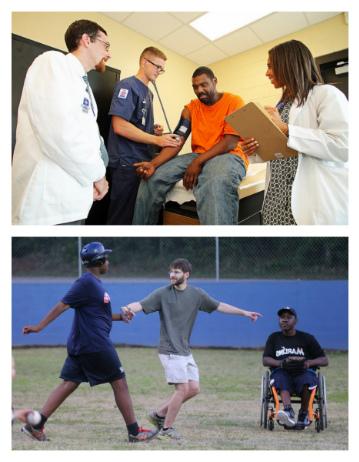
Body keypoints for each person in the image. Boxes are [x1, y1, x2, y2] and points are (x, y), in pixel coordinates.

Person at [21, 242, 157, 443]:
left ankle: (36, 424)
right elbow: (62, 305)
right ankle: (135, 432)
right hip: (94, 344)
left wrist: (121, 317)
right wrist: (39, 327)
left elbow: (98, 314)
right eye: (106, 258)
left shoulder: (93, 284)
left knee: (69, 383)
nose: (108, 261)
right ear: (99, 261)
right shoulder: (85, 283)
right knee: (120, 382)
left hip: (83, 344)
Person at [121, 258, 262, 439]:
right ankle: (167, 428)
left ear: (186, 275)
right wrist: (127, 308)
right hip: (169, 349)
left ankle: (158, 415)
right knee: (182, 389)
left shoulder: (197, 294)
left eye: (177, 272)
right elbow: (139, 304)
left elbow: (220, 306)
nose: (172, 275)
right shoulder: (162, 294)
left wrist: (244, 312)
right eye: (171, 271)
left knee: (194, 388)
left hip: (184, 350)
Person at [12, 19, 111, 225]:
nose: (108, 53)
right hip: (48, 205)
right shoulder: (53, 63)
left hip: (75, 201)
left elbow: (88, 139)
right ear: (86, 40)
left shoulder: (84, 87)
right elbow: (61, 134)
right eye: (105, 45)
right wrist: (98, 175)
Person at [241, 40, 348, 225]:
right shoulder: (280, 105)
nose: (267, 73)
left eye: (270, 66)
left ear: (287, 63)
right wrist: (255, 149)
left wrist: (286, 129)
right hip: (275, 200)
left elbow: (343, 146)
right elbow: (280, 152)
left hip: (310, 202)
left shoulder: (326, 94)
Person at [132, 66, 249, 225]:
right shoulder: (191, 108)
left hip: (228, 155)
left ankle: (219, 246)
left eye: (204, 85)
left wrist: (198, 162)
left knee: (214, 182)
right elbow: (177, 141)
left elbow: (230, 142)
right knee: (152, 178)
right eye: (195, 87)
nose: (199, 90)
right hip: (198, 155)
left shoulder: (234, 101)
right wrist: (153, 164)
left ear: (214, 81)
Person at [106, 46, 180, 225]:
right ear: (144, 62)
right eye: (157, 66)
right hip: (126, 162)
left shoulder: (149, 93)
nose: (160, 72)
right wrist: (157, 139)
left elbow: (135, 123)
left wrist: (152, 131)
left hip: (143, 163)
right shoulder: (127, 86)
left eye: (162, 69)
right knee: (121, 218)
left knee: (135, 216)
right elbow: (120, 125)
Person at [262, 306, 328, 429]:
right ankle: (288, 412)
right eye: (282, 317)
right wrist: (281, 363)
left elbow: (324, 360)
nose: (284, 320)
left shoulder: (307, 338)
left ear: (295, 320)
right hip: (282, 370)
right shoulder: (274, 337)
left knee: (308, 379)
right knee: (280, 377)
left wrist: (308, 363)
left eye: (289, 317)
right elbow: (265, 360)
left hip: (303, 371)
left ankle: (303, 414)